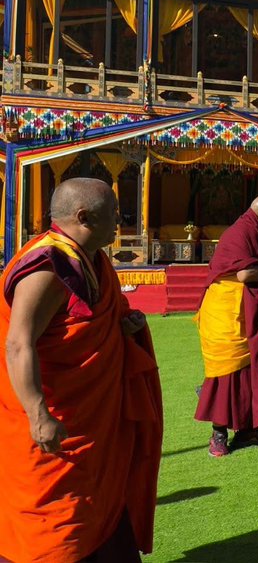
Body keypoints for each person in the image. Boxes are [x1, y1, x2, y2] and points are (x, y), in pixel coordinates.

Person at [0, 178, 162, 562]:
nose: (119, 225)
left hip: (93, 425)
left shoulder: (90, 257)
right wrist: (39, 414)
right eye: (115, 217)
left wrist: (121, 328)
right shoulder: (46, 268)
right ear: (83, 216)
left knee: (101, 505)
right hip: (55, 426)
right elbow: (18, 342)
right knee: (56, 527)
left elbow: (79, 324)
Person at [195, 194, 258, 457]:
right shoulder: (241, 233)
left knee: (253, 371)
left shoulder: (250, 229)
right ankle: (218, 434)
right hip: (228, 312)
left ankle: (247, 430)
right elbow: (245, 273)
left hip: (245, 308)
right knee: (226, 374)